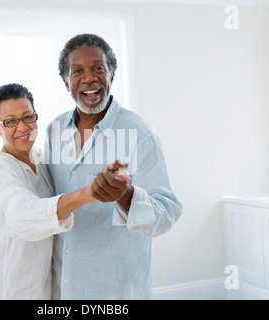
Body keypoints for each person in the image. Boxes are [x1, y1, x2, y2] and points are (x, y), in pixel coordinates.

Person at [44, 34, 183, 299]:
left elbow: (166, 214)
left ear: (112, 75)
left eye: (98, 68)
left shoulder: (140, 133)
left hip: (115, 287)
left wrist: (126, 196)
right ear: (66, 82)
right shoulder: (54, 131)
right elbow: (52, 203)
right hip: (63, 282)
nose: (89, 78)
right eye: (78, 71)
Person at [0, 83, 129, 300]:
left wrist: (108, 175)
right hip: (14, 290)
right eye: (11, 121)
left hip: (47, 289)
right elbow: (23, 215)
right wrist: (88, 193)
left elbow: (70, 179)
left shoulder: (39, 159)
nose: (23, 128)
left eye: (28, 117)